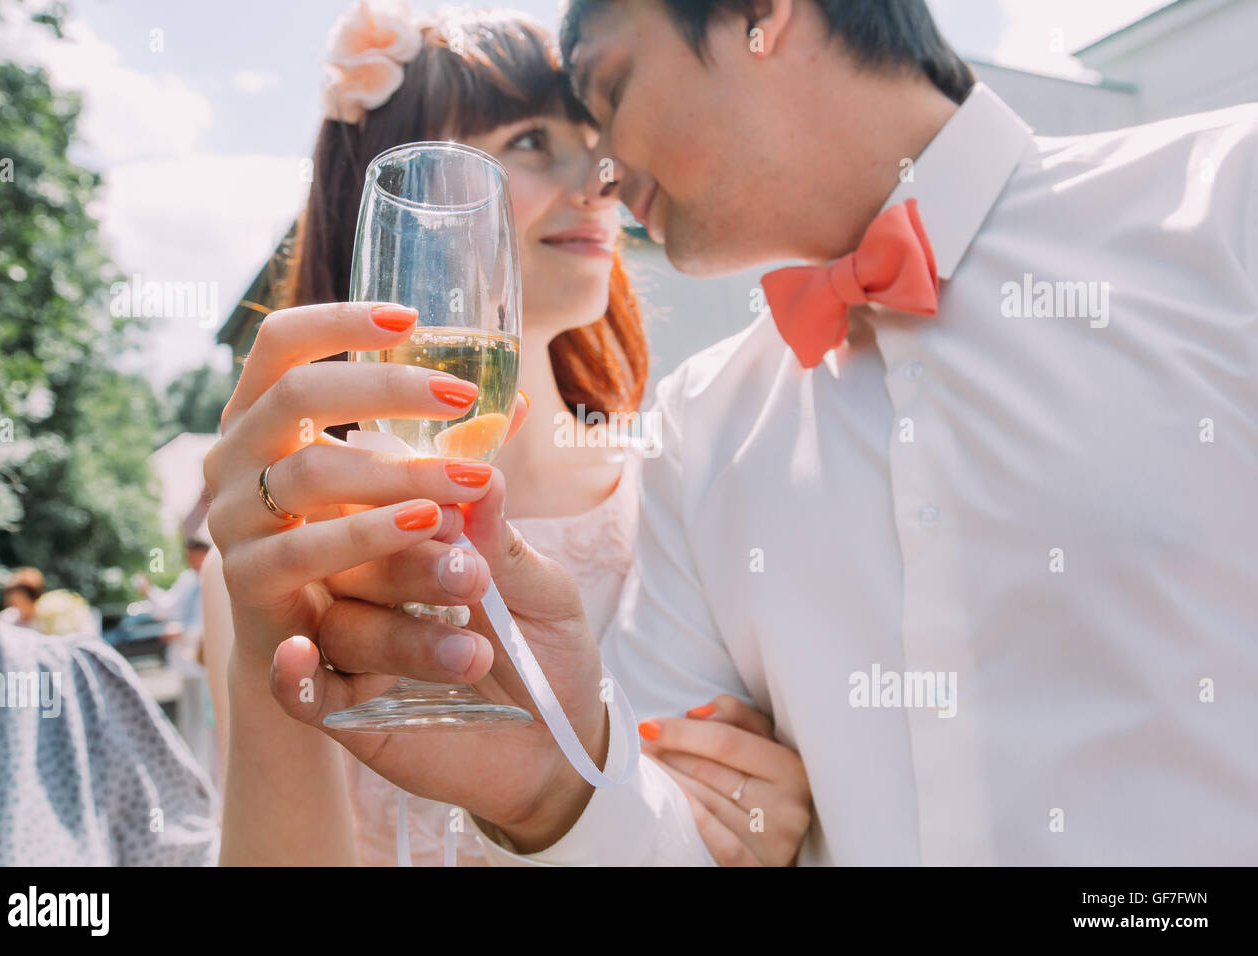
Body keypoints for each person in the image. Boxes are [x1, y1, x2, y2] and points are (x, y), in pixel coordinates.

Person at [207, 0, 1258, 865]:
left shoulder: (1226, 206)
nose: (604, 174)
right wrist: (556, 792)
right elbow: (666, 834)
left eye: (608, 93)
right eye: (541, 139)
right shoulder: (703, 428)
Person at [205, 2, 811, 866]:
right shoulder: (287, 546)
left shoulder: (694, 480)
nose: (602, 177)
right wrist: (277, 661)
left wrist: (774, 827)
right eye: (530, 139)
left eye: (599, 134)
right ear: (396, 203)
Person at [0, 402, 219, 866]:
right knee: (200, 733)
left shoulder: (59, 667)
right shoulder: (42, 656)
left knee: (207, 734)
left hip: (196, 665)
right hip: (189, 663)